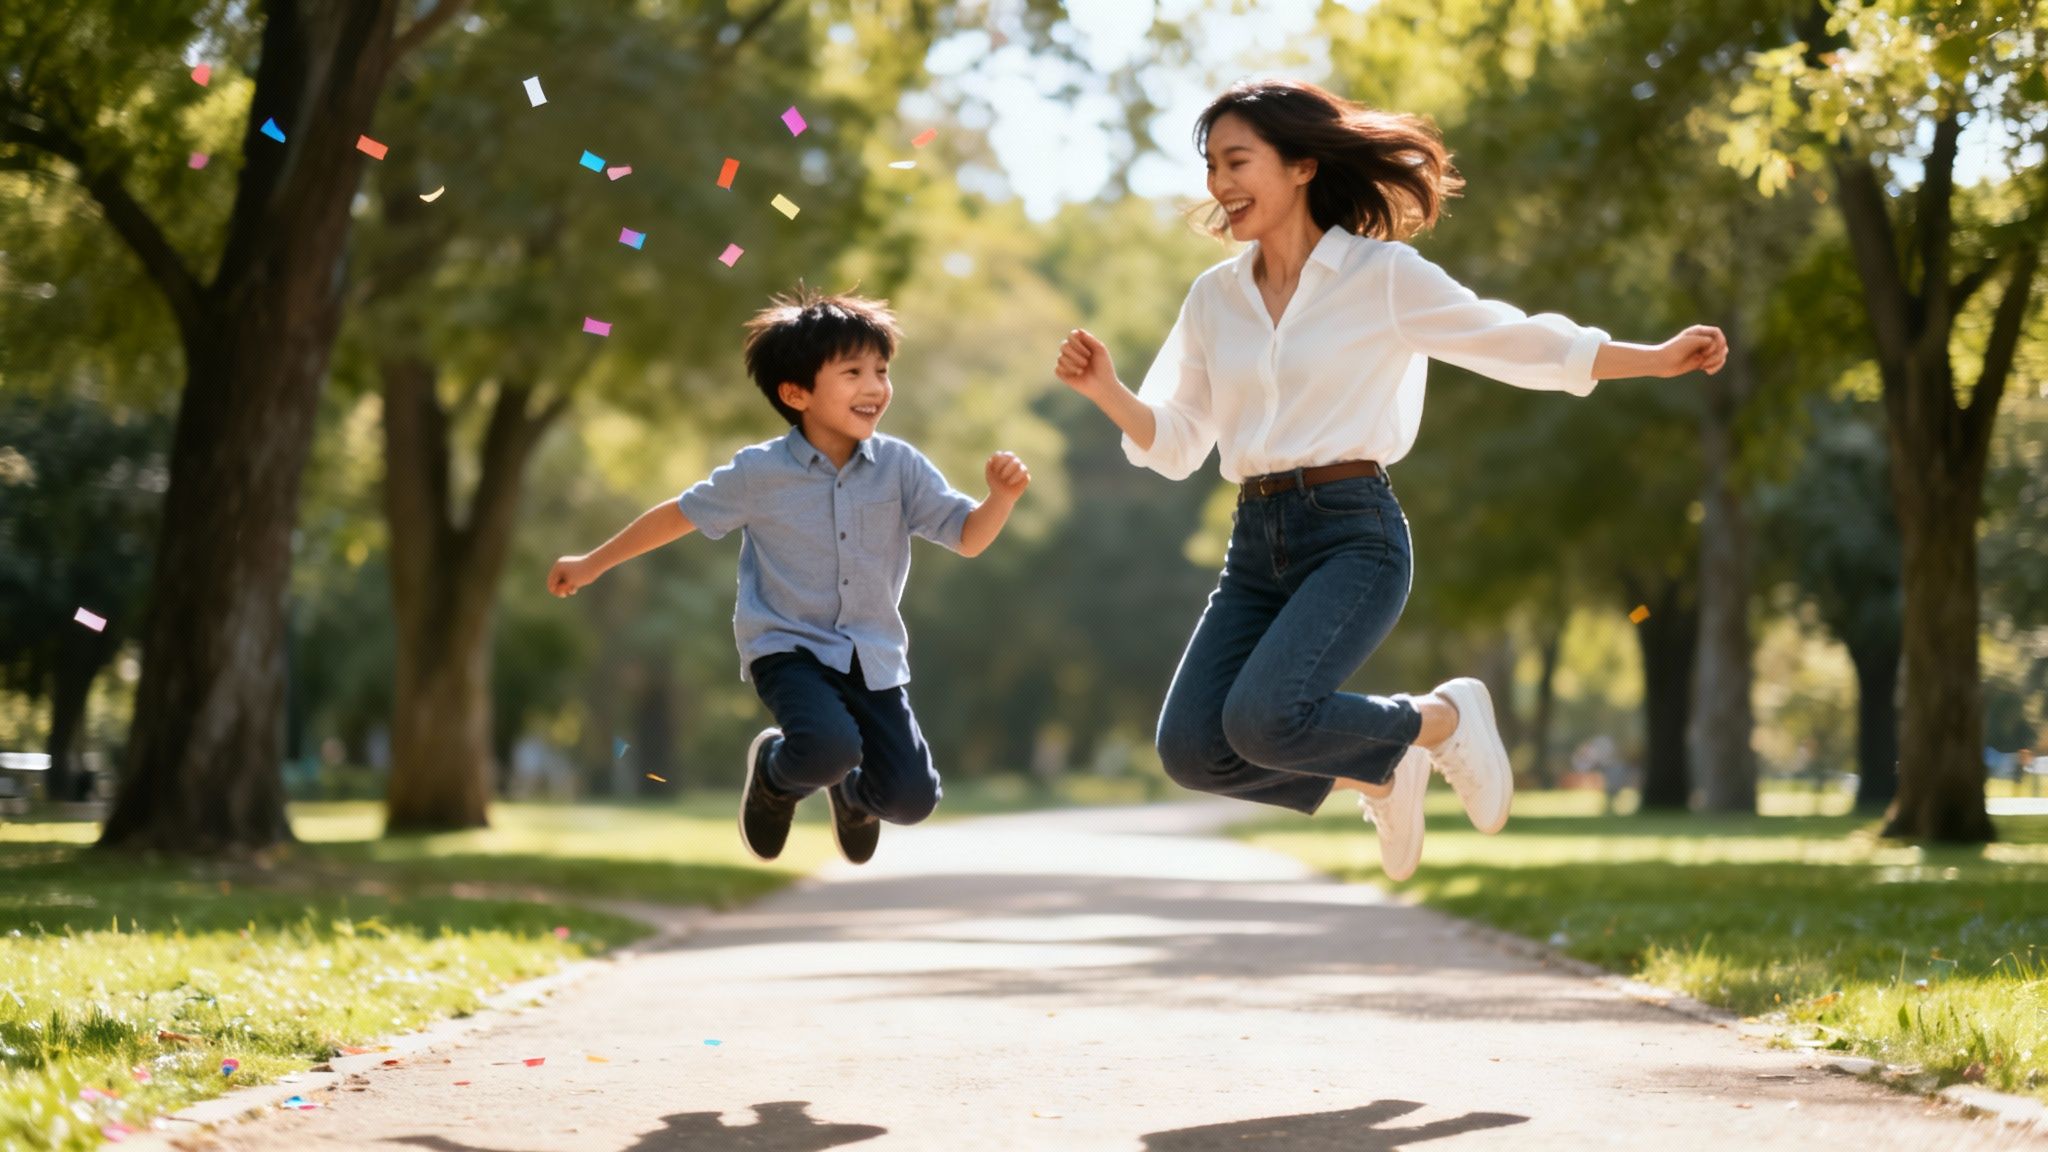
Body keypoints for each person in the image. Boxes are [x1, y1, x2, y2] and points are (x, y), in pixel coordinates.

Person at [1054, 79, 1726, 880]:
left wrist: (1647, 358)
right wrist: (1108, 394)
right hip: (1254, 545)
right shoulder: (1215, 297)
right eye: (1210, 166)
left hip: (1352, 535)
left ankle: (1437, 720)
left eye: (1237, 161)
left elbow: (1512, 342)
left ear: (1302, 165)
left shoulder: (1382, 277)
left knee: (1263, 719)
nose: (1219, 185)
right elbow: (1177, 442)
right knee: (1194, 749)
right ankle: (1382, 761)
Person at [549, 288, 1030, 865]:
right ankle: (776, 776)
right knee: (828, 746)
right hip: (788, 646)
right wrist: (592, 562)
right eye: (852, 372)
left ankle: (855, 798)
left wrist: (999, 498)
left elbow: (968, 536)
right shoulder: (759, 474)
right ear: (796, 392)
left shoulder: (900, 467)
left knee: (910, 799)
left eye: (881, 370)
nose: (875, 386)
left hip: (872, 654)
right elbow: (676, 516)